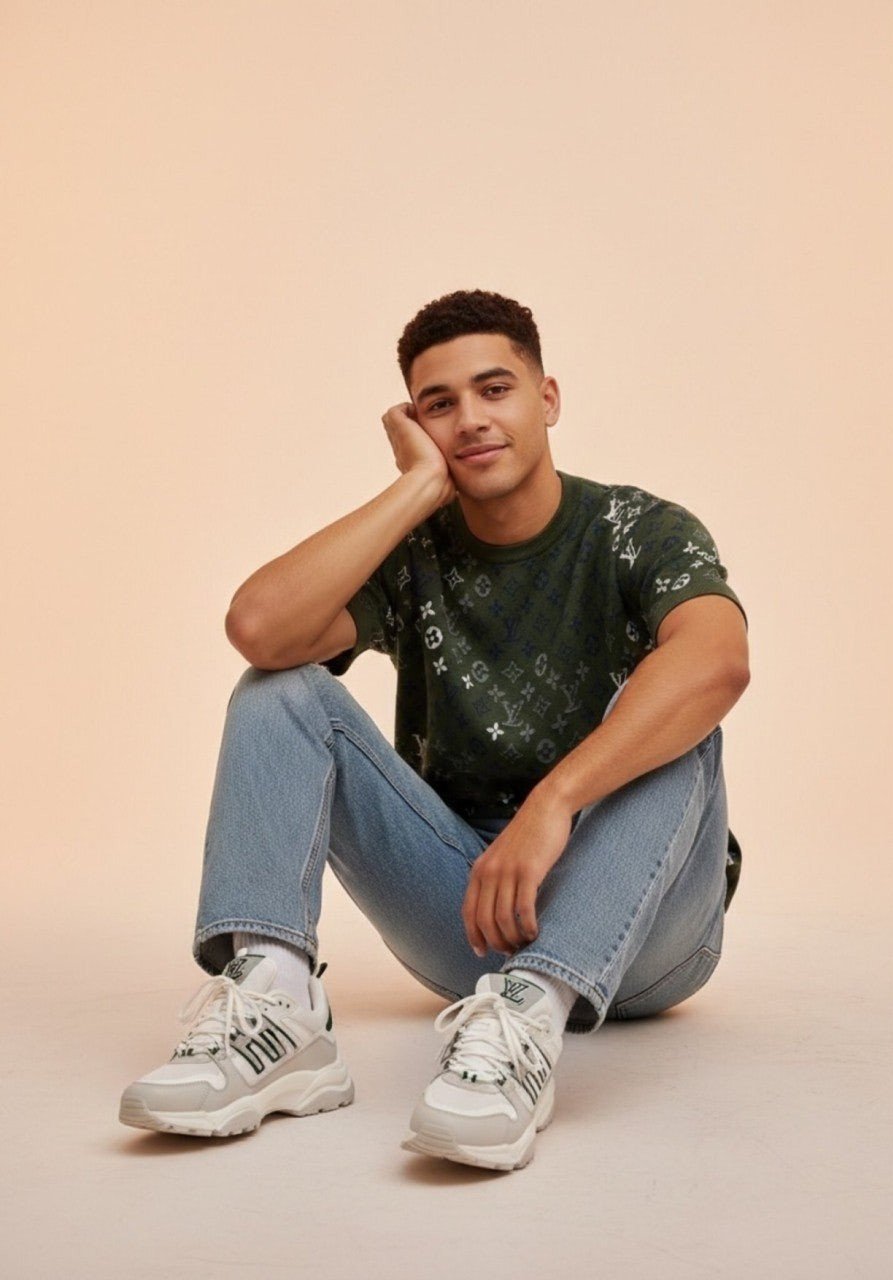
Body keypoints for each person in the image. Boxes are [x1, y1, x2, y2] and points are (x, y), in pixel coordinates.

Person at [119, 288, 750, 1171]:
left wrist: (555, 803)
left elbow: (719, 662)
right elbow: (260, 628)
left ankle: (529, 1021)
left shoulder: (635, 529)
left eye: (495, 390)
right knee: (277, 690)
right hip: (475, 919)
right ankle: (277, 1003)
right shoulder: (418, 553)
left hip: (650, 933)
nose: (471, 420)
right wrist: (415, 489)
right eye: (439, 404)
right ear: (416, 425)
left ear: (547, 399)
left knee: (678, 717)